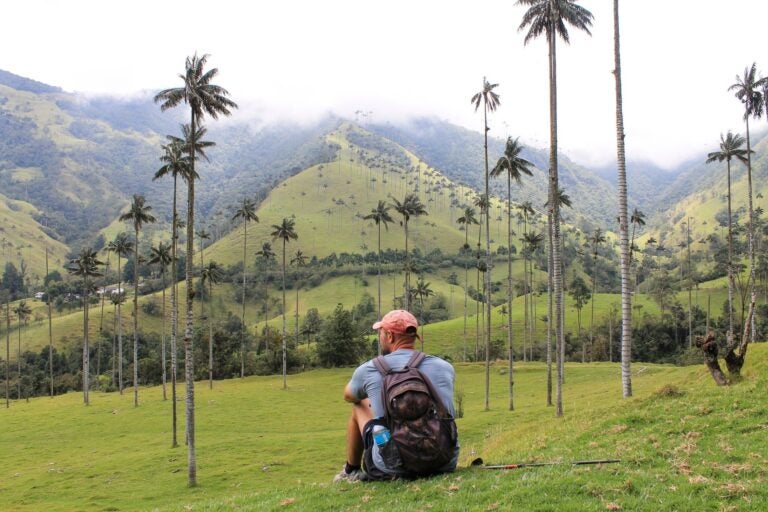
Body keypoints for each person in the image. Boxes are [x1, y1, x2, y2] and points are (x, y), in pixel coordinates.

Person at [334, 309, 459, 482]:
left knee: (359, 404)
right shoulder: (445, 367)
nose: (380, 337)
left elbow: (348, 396)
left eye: (381, 333)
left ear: (390, 336)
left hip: (391, 466)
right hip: (444, 462)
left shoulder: (370, 369)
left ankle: (351, 471)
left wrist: (375, 398)